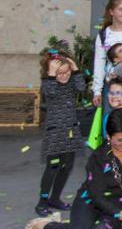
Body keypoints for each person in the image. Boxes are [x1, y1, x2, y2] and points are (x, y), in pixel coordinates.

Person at [26, 109, 122, 229]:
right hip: (91, 200)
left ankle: (86, 225)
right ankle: (47, 225)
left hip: (118, 203)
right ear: (108, 136)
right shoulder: (98, 157)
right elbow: (97, 196)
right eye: (120, 140)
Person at [35, 53, 87, 216]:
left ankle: (55, 198)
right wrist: (51, 73)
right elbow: (49, 92)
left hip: (70, 132)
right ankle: (42, 202)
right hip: (55, 134)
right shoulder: (49, 84)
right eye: (60, 73)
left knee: (67, 167)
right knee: (53, 167)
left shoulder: (71, 83)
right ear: (52, 73)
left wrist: (76, 70)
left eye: (67, 72)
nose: (64, 76)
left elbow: (81, 88)